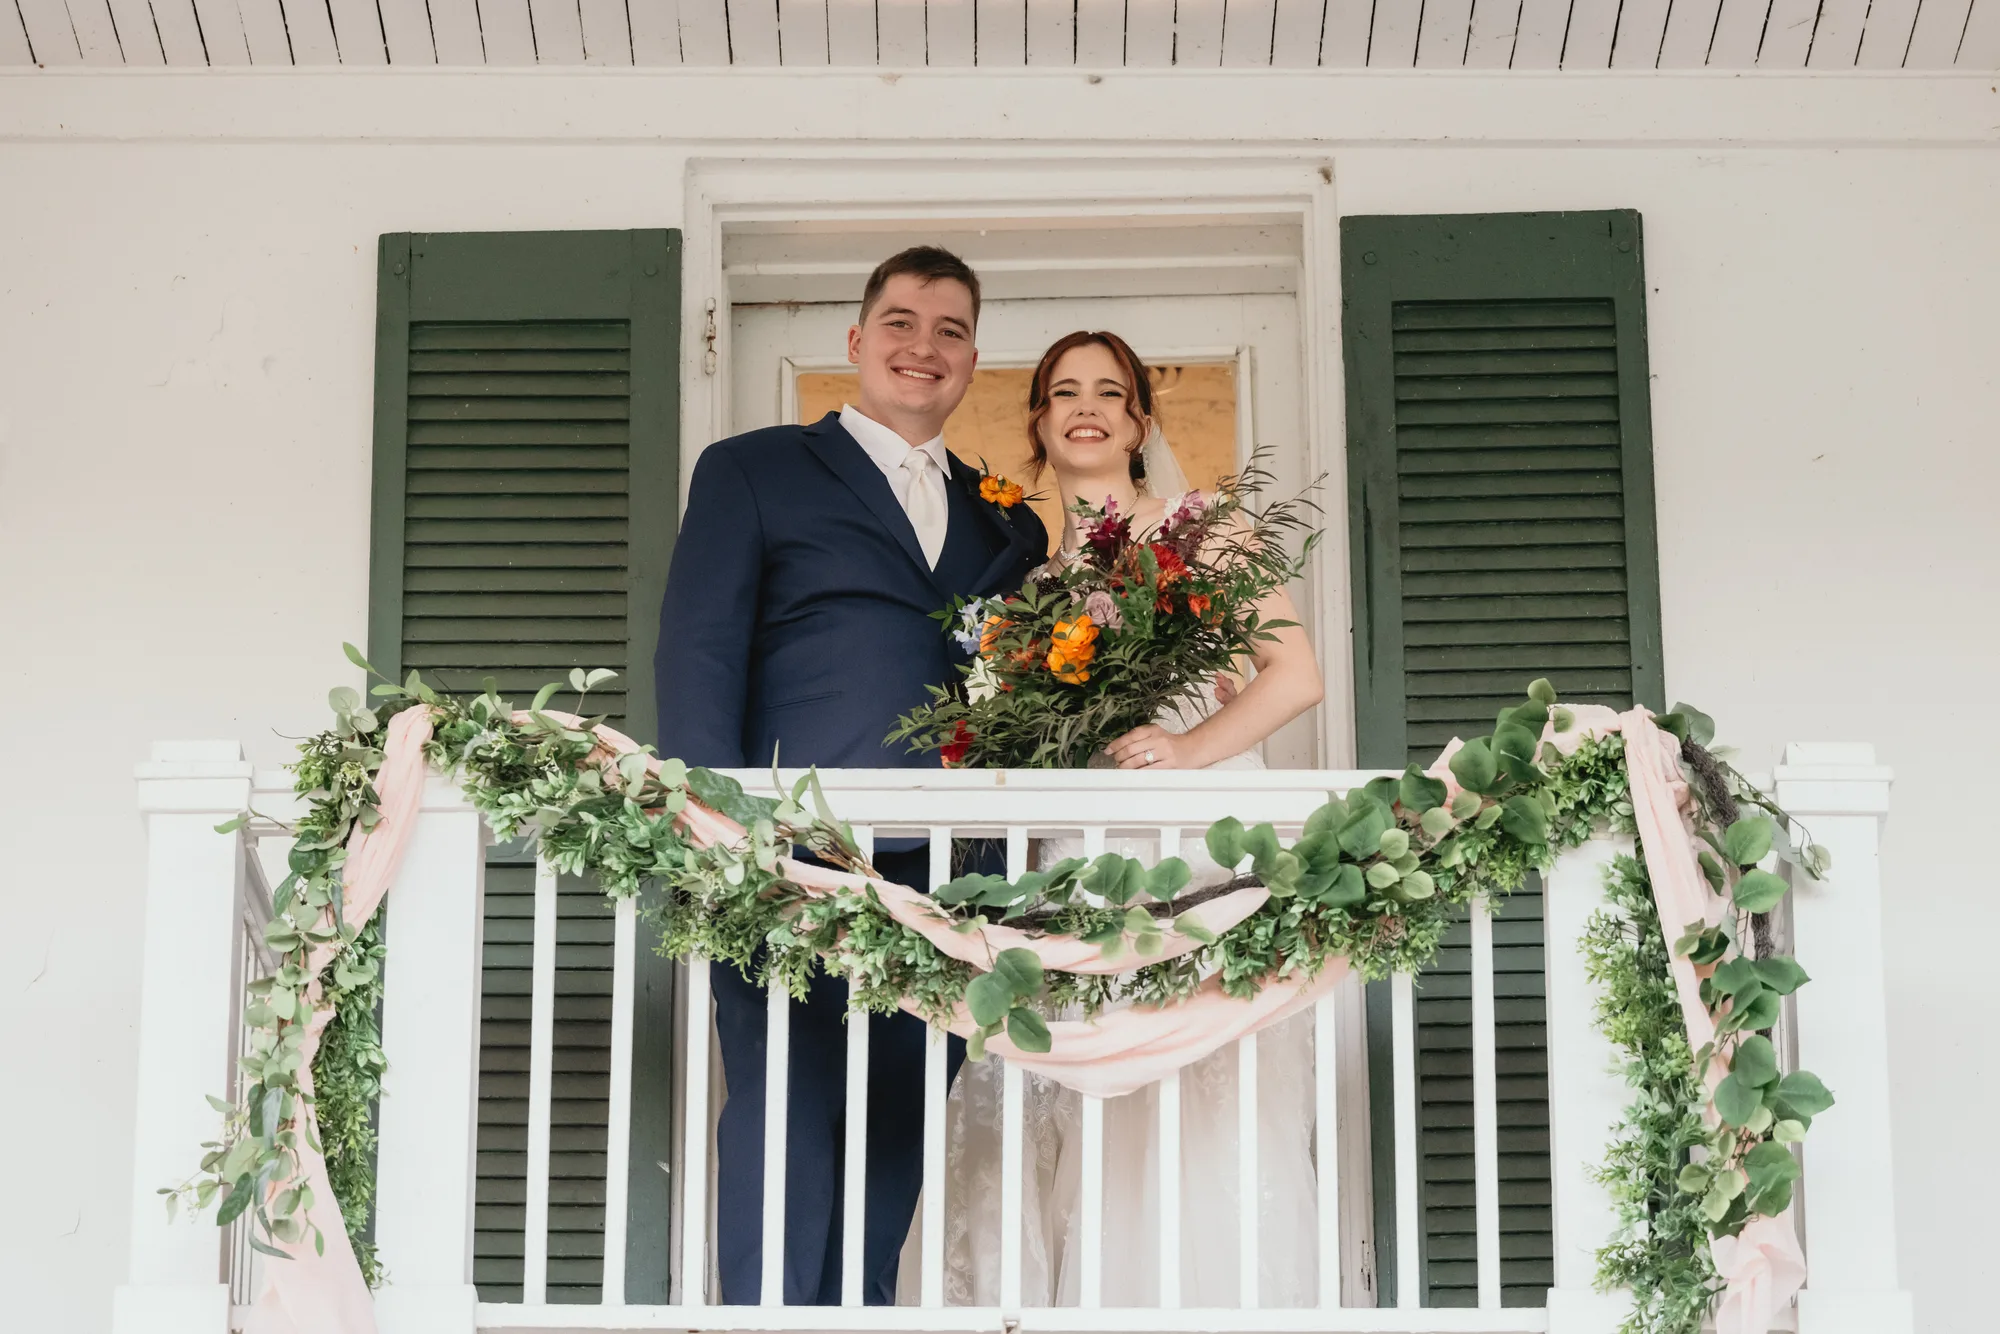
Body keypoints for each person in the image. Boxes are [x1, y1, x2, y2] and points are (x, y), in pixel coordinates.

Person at [656, 247, 1049, 1305]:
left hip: (948, 881)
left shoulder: (1008, 521)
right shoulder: (753, 468)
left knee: (896, 1133)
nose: (924, 347)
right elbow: (699, 653)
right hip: (791, 860)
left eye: (951, 329)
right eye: (901, 322)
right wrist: (718, 837)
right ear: (856, 341)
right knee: (785, 1115)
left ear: (972, 356)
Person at [906, 331, 1326, 1308]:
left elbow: (1293, 675)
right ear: (1039, 423)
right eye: (1062, 392)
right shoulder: (1024, 576)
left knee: (1193, 1086)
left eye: (1108, 390)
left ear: (1139, 420)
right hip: (1071, 850)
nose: (1084, 406)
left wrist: (1186, 746)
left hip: (1186, 841)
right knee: (1062, 1074)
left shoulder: (1201, 529)